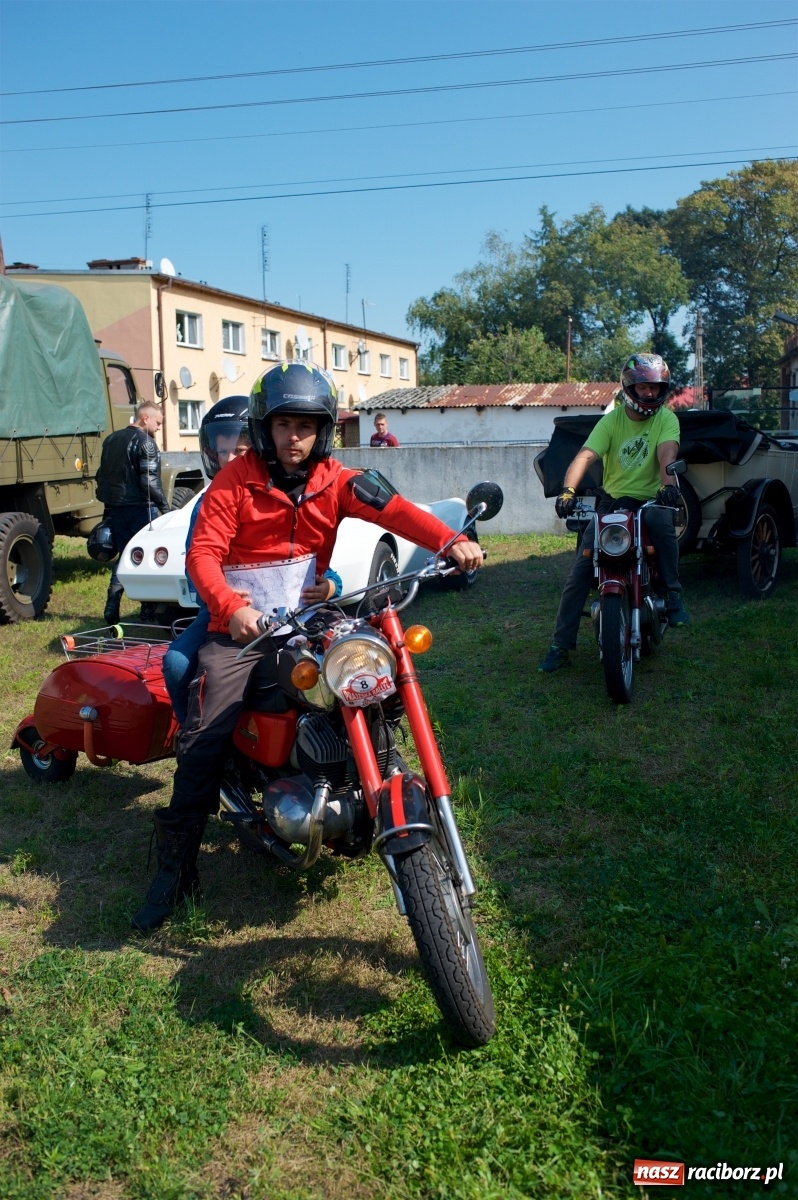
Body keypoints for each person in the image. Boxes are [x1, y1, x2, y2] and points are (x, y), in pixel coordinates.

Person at [131, 361, 482, 933]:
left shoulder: (337, 481)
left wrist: (451, 539)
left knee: (375, 672)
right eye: (284, 425)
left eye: (308, 426)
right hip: (242, 628)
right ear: (264, 426)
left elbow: (396, 511)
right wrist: (232, 608)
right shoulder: (233, 483)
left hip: (310, 616)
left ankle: (365, 780)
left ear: (323, 430)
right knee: (204, 733)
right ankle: (175, 871)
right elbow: (201, 557)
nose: (295, 438)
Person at [162, 395, 343, 725]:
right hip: (224, 613)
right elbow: (197, 564)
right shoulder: (210, 501)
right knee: (176, 663)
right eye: (224, 448)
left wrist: (331, 585)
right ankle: (191, 731)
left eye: (243, 448)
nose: (232, 456)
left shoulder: (287, 495)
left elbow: (311, 567)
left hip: (292, 610)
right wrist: (227, 601)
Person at [538, 352, 689, 674]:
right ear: (629, 388)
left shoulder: (666, 419)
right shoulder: (611, 420)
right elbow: (585, 456)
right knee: (580, 570)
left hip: (652, 499)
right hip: (612, 503)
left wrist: (669, 485)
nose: (650, 394)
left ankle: (672, 594)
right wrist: (568, 491)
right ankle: (559, 645)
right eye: (643, 387)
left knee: (662, 523)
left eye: (656, 387)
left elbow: (667, 454)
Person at [95, 400, 170, 624]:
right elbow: (149, 482)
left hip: (117, 508)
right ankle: (148, 610)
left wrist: (108, 506)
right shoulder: (146, 443)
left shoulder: (110, 440)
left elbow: (102, 476)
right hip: (141, 509)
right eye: (157, 423)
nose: (158, 428)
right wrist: (165, 508)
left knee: (124, 556)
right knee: (150, 558)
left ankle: (112, 602)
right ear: (145, 418)